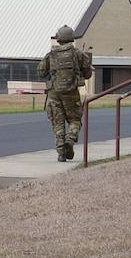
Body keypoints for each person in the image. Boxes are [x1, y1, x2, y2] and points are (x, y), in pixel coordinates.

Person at [40, 25, 94, 161]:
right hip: (71, 92)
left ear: (58, 39)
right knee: (75, 119)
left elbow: (41, 72)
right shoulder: (77, 53)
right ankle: (70, 139)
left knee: (57, 122)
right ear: (72, 38)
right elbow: (88, 73)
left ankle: (61, 153)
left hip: (54, 93)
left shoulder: (51, 54)